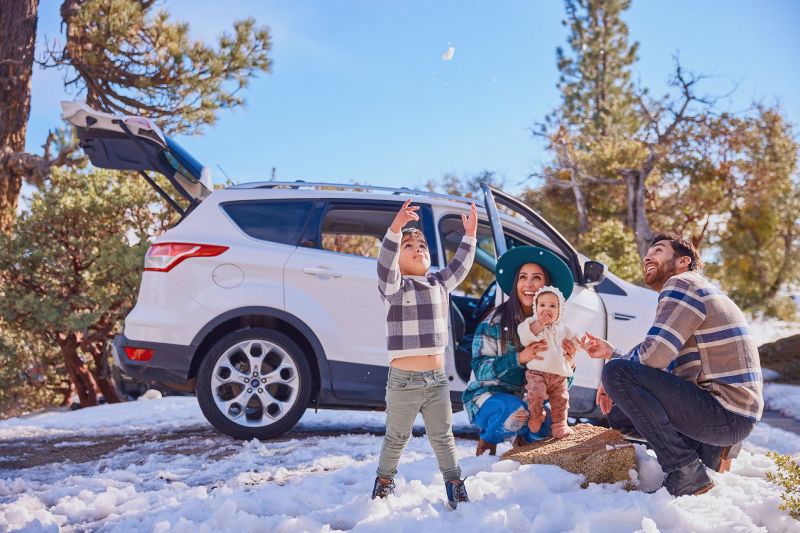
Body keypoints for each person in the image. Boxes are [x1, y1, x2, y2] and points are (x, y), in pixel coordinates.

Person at [581, 233, 763, 497]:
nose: (647, 257)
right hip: (731, 414)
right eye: (648, 252)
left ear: (683, 261)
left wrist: (614, 372)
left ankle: (685, 470)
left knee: (616, 374)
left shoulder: (682, 283)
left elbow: (654, 356)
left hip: (726, 414)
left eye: (657, 250)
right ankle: (704, 450)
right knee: (621, 414)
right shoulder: (694, 290)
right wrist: (613, 353)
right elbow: (661, 365)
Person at [372, 199, 477, 510]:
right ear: (399, 257)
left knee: (443, 436)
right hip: (403, 381)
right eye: (409, 245)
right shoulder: (393, 286)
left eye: (422, 244)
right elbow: (384, 262)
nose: (418, 248)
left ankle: (455, 484)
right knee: (397, 437)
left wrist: (469, 237)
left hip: (436, 380)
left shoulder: (439, 282)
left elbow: (461, 265)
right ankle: (384, 482)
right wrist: (396, 228)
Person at [462, 246, 577, 456]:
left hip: (529, 400)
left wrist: (568, 364)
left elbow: (557, 383)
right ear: (516, 284)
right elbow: (480, 370)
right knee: (515, 411)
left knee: (549, 425)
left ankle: (523, 447)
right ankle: (487, 442)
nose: (529, 284)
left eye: (537, 278)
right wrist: (519, 358)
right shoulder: (494, 323)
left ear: (547, 287)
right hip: (488, 398)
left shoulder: (555, 330)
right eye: (523, 277)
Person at [518, 285, 579, 438]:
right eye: (542, 305)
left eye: (552, 306)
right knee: (535, 393)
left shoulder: (563, 329)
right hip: (538, 372)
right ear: (535, 308)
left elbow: (574, 341)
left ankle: (560, 425)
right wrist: (540, 323)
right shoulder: (533, 324)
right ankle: (536, 415)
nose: (547, 309)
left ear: (560, 311)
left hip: (559, 375)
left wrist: (581, 344)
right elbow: (525, 336)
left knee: (561, 400)